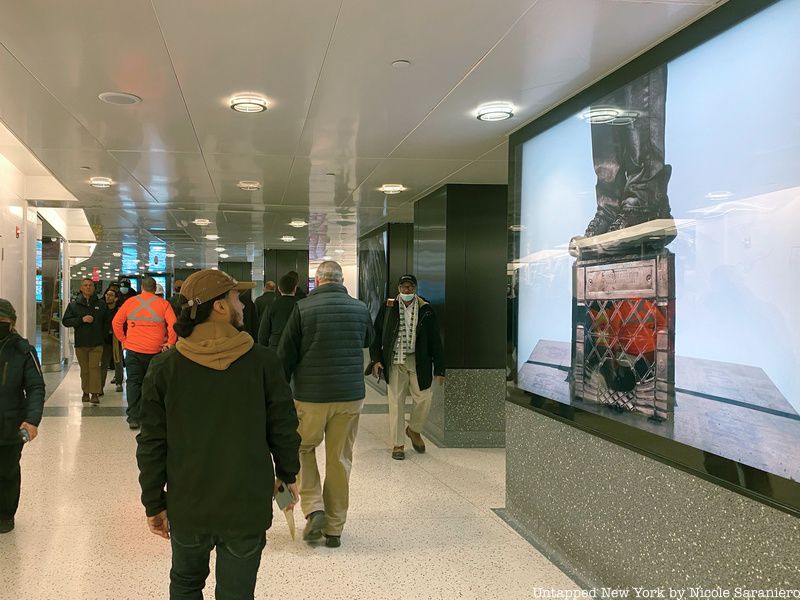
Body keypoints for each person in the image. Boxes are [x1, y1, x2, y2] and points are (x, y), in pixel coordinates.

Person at [136, 269, 300, 599]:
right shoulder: (264, 363)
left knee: (185, 583)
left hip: (188, 503)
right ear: (220, 308)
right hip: (246, 506)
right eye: (236, 297)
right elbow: (283, 427)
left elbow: (152, 442)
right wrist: (287, 475)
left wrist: (154, 501)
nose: (242, 305)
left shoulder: (165, 368)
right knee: (237, 593)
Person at [278, 261, 372, 548]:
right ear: (342, 281)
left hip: (311, 397)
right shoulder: (360, 308)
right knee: (340, 459)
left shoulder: (303, 309)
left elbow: (286, 355)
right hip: (350, 396)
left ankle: (314, 508)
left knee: (303, 448)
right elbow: (369, 341)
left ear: (316, 281)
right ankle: (334, 529)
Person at [369, 274, 445, 461]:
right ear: (398, 289)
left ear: (415, 289)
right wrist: (376, 359)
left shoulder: (425, 309)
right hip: (395, 361)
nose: (407, 290)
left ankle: (414, 429)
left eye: (410, 287)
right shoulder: (388, 308)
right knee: (396, 402)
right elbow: (376, 335)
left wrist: (440, 369)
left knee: (424, 398)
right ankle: (398, 444)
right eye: (404, 287)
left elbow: (436, 339)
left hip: (419, 361)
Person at [0, 299, 45, 533]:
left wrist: (32, 420)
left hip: (9, 422)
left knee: (7, 470)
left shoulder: (23, 351)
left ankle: (6, 514)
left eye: (2, 322)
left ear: (12, 323)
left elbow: (36, 387)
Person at [113, 276, 177, 430]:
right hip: (155, 352)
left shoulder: (130, 302)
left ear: (142, 287)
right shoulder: (163, 304)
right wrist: (170, 343)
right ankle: (151, 416)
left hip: (133, 350)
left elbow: (116, 322)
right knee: (153, 384)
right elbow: (174, 325)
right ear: (155, 289)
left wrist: (124, 340)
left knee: (134, 382)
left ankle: (134, 418)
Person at [63, 278, 108, 404]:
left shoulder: (101, 304)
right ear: (81, 288)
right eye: (85, 285)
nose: (88, 287)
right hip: (81, 343)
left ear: (94, 288)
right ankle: (85, 392)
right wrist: (81, 320)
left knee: (94, 368)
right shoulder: (73, 305)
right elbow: (65, 321)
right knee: (85, 369)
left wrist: (102, 336)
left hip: (97, 343)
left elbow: (106, 322)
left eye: (91, 285)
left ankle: (95, 393)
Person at [257, 274, 298, 350]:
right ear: (295, 288)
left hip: (275, 347)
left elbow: (263, 333)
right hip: (296, 347)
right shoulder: (300, 305)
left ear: (279, 289)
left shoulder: (271, 306)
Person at [101, 286, 124, 394]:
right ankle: (100, 386)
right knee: (103, 364)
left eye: (111, 295)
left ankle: (119, 382)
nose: (108, 297)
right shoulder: (102, 309)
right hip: (104, 340)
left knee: (118, 362)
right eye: (107, 294)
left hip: (116, 340)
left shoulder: (119, 311)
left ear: (116, 298)